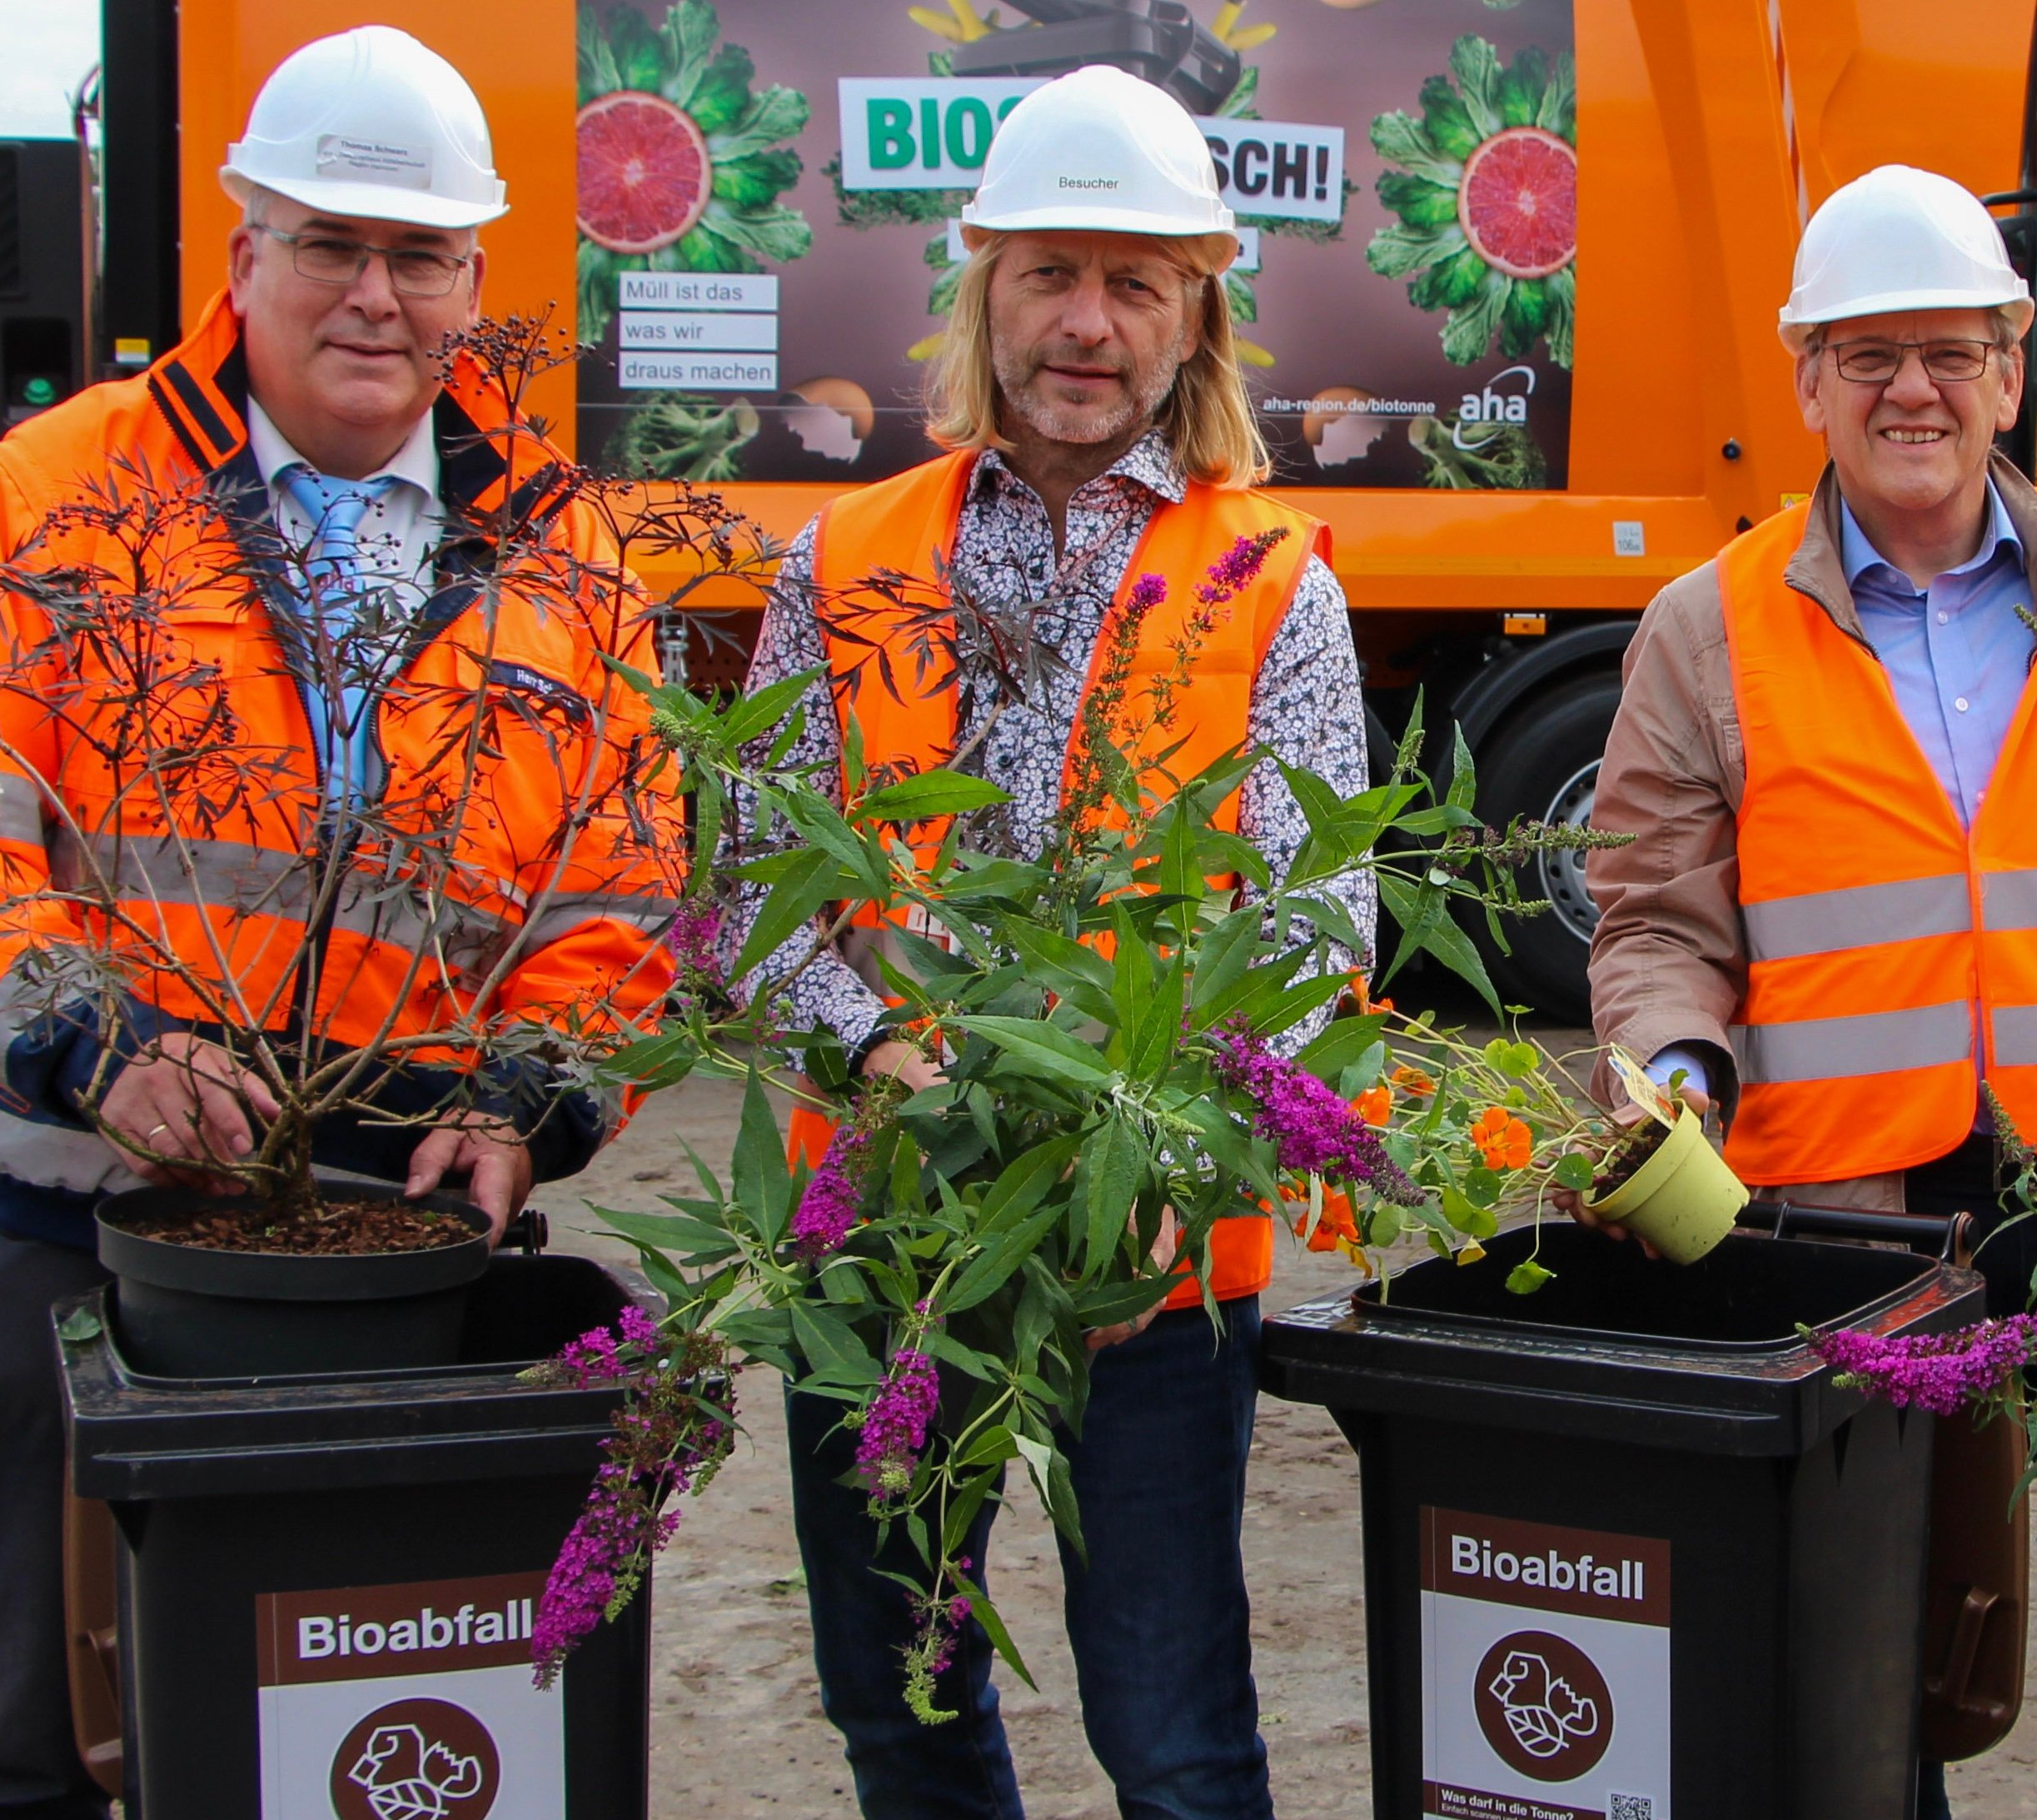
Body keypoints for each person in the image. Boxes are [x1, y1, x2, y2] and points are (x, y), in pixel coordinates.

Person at [0, 27, 676, 1820]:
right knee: (31, 1741)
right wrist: (98, 1044)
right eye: (330, 244)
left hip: (403, 1252)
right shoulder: (55, 494)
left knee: (346, 1726)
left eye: (420, 254)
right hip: (90, 1229)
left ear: (473, 285)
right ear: (242, 255)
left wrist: (529, 1102)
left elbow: (617, 904)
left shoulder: (569, 553)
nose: (375, 295)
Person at [1570, 162, 2037, 1820]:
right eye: (1870, 354)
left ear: (2009, 374)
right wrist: (1674, 1069)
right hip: (1850, 1219)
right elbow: (1657, 917)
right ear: (1807, 382)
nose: (1914, 390)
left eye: (1951, 353)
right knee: (1868, 1668)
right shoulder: (1707, 626)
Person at [705, 63, 1364, 1820]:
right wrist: (874, 1049)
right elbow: (758, 887)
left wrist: (1175, 1152)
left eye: (1135, 282)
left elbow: (1314, 927)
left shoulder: (1278, 580)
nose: (1087, 323)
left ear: (1193, 313)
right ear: (982, 287)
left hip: (1148, 1253)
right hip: (885, 1232)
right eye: (1050, 274)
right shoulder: (844, 556)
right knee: (898, 1700)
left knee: (1173, 1730)